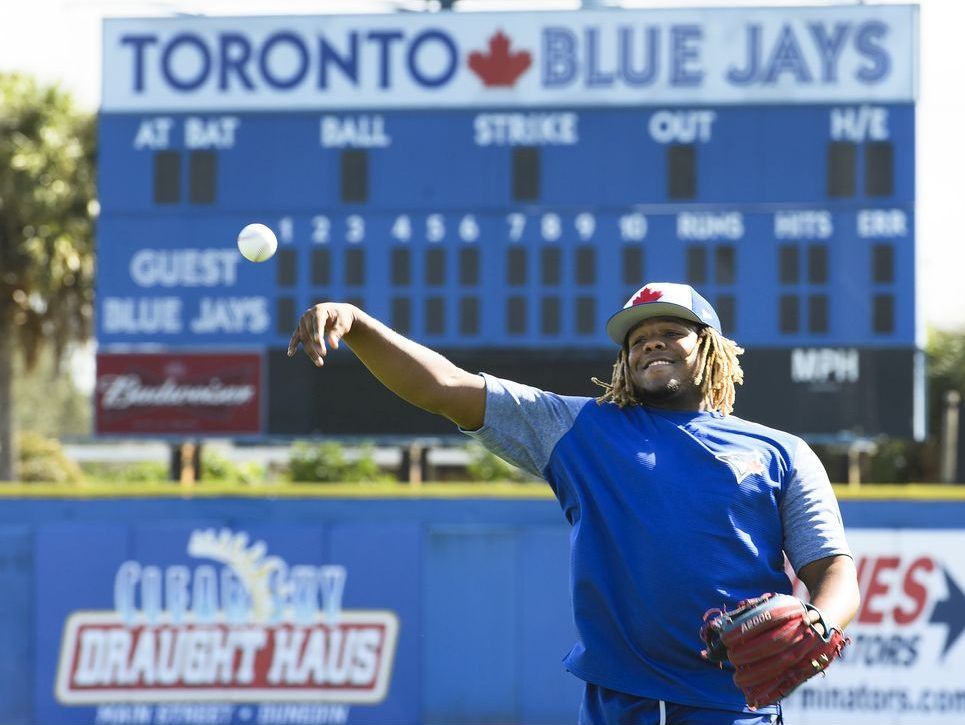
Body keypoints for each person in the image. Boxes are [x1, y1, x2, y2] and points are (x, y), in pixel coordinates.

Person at [287, 281, 860, 725]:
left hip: (730, 701)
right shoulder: (580, 428)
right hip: (620, 698)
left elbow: (832, 568)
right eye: (637, 339)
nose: (650, 342)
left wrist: (818, 620)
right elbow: (444, 388)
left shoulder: (781, 451)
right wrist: (358, 325)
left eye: (670, 331)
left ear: (710, 348)